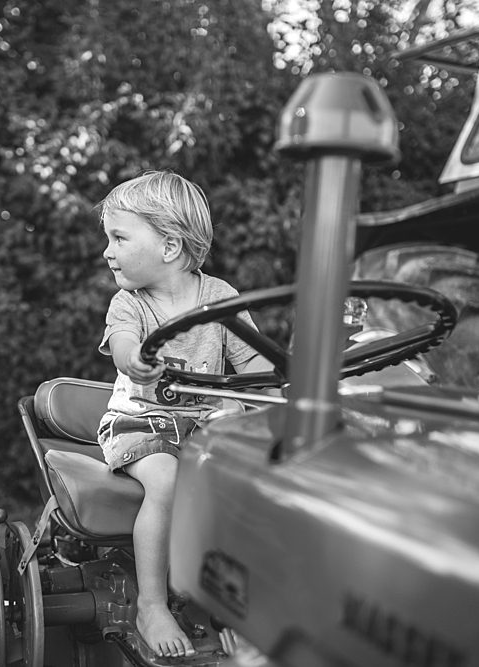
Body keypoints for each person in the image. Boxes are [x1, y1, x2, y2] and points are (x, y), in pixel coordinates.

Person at [97, 170, 273, 658]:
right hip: (138, 421)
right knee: (167, 479)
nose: (107, 251)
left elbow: (255, 364)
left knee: (250, 474)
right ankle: (151, 604)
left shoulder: (219, 298)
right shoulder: (129, 303)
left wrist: (263, 387)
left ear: (169, 246)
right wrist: (136, 361)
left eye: (119, 237)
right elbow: (125, 349)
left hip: (200, 424)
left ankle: (227, 600)